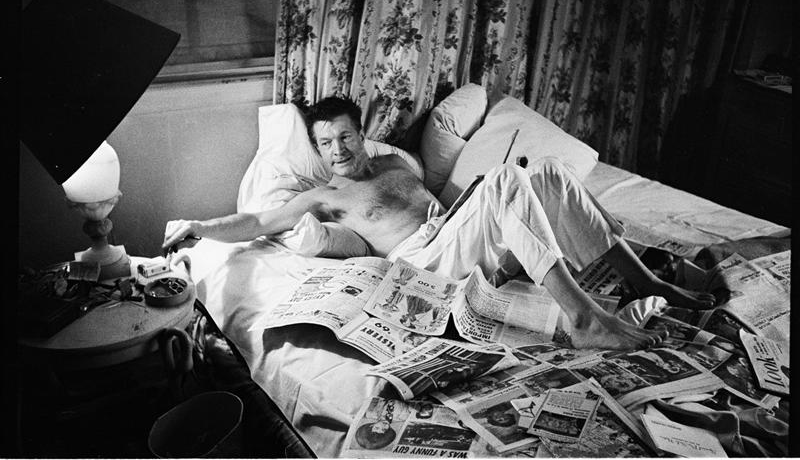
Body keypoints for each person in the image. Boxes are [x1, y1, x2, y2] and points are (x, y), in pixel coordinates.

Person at [163, 96, 716, 350]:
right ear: (316, 148)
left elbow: (443, 207)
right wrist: (200, 225)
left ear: (362, 132)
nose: (338, 150)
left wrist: (476, 200)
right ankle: (585, 317)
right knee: (506, 181)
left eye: (345, 136)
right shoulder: (322, 196)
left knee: (545, 170)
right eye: (325, 143)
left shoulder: (397, 164)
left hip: (455, 235)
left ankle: (647, 280)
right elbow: (257, 219)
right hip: (424, 265)